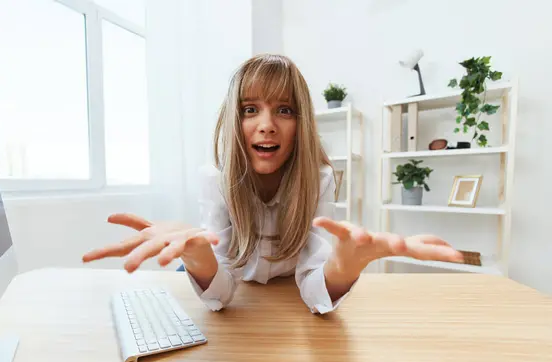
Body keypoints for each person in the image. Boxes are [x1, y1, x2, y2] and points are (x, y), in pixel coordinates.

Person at [82, 54, 463, 314]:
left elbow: (313, 287)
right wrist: (197, 258)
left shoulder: (321, 179)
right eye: (251, 110)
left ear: (302, 125)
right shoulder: (215, 179)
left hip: (281, 290)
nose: (267, 124)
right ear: (235, 120)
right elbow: (223, 292)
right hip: (227, 278)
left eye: (284, 110)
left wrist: (344, 268)